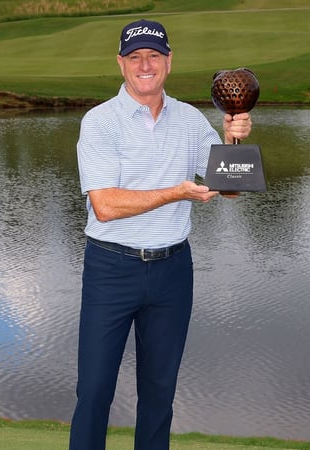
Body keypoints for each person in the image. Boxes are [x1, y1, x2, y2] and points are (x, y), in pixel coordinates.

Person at [70, 19, 252, 450]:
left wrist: (233, 139)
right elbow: (106, 205)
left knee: (159, 395)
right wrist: (177, 192)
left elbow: (229, 189)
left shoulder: (190, 121)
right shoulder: (99, 122)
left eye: (154, 55)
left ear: (169, 62)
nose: (145, 65)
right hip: (110, 269)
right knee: (94, 391)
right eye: (135, 57)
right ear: (121, 64)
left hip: (172, 270)